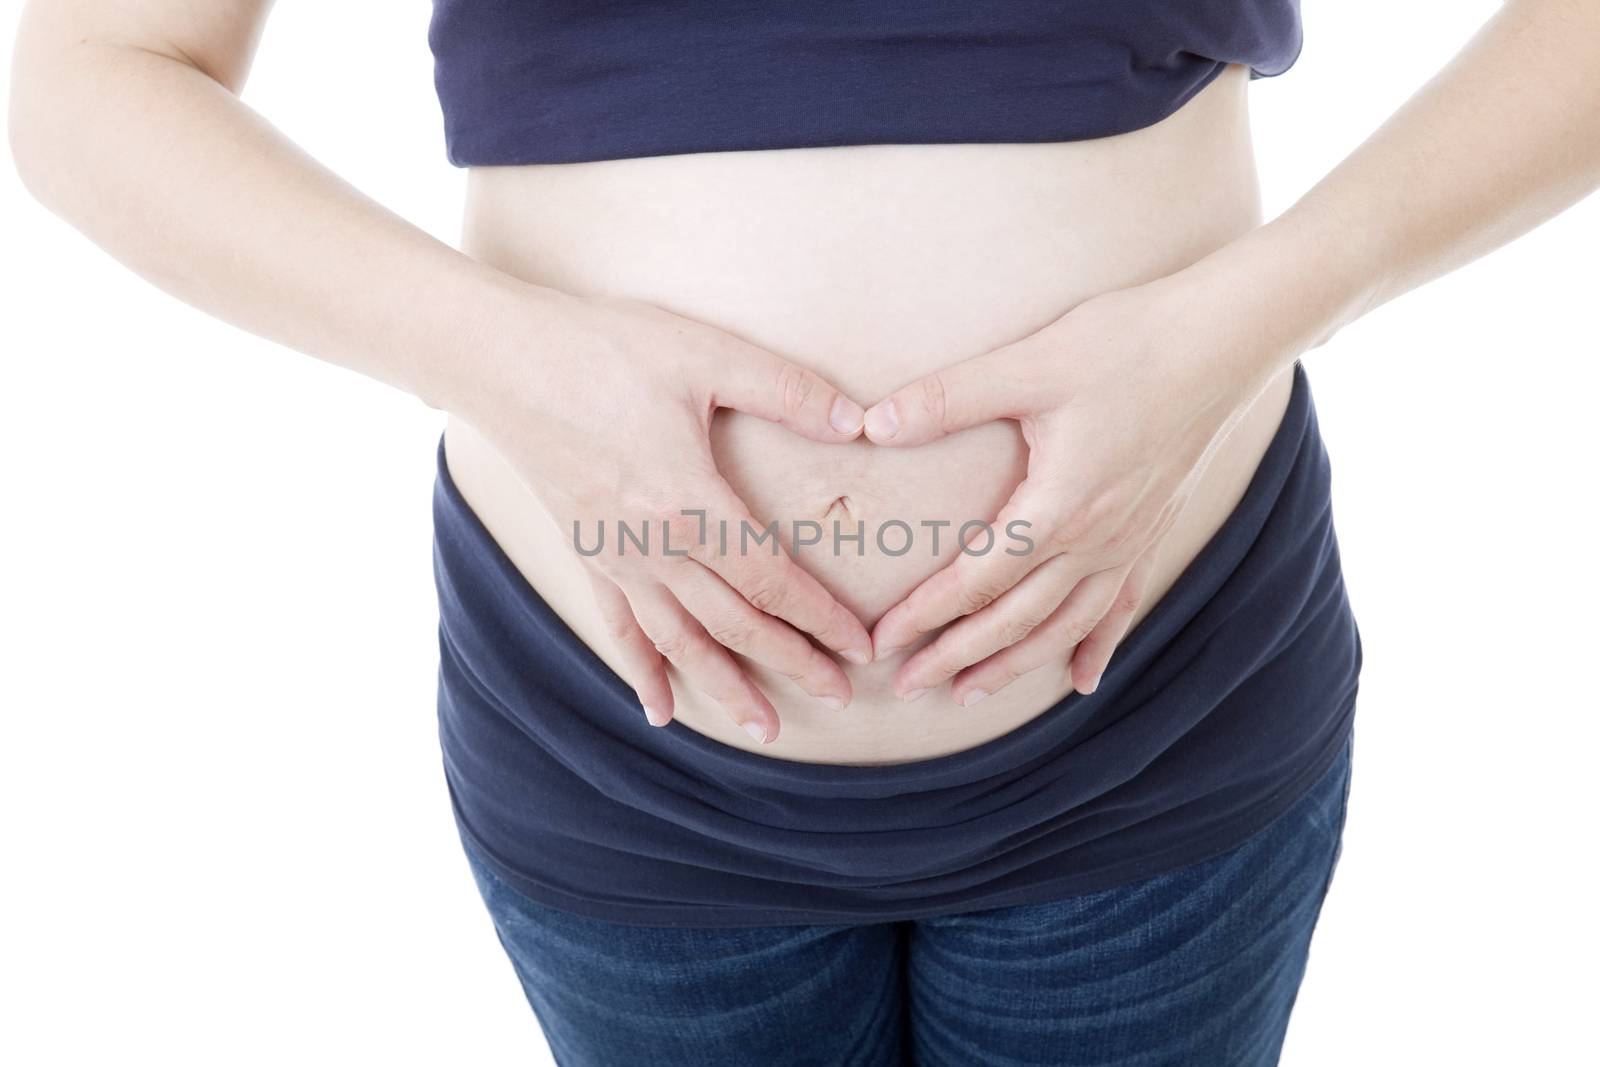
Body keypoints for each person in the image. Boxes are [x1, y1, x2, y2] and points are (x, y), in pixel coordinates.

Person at [10, 1, 1599, 1064]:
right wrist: (508, 363)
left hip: (1156, 716)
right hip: (624, 757)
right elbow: (93, 76)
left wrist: (1251, 319)